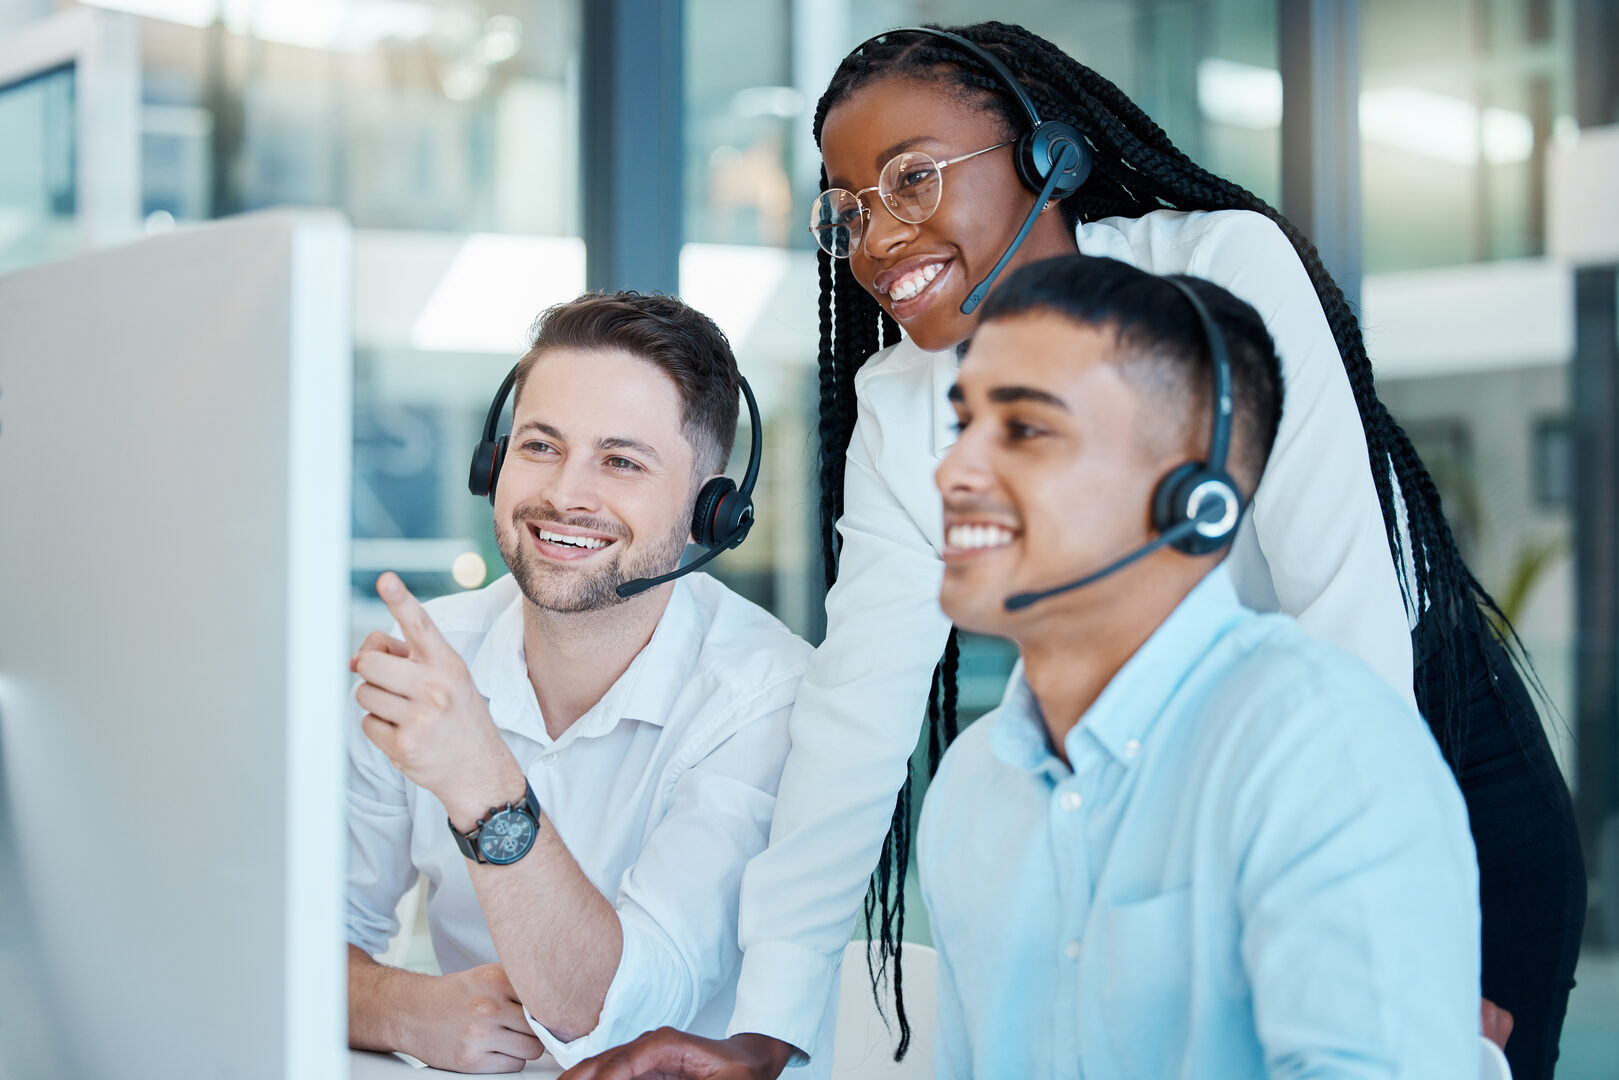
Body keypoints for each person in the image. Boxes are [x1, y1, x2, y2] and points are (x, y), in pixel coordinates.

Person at [562, 21, 1578, 1080]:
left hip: (1411, 747)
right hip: (1133, 783)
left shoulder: (1214, 274)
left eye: (911, 179)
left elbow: (1342, 602)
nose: (874, 241)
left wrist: (1383, 931)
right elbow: (852, 726)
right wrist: (764, 1031)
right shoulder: (905, 404)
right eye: (849, 209)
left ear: (1046, 156)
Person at [921, 253, 1479, 1077]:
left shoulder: (1322, 750)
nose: (953, 471)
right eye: (963, 425)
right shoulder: (970, 787)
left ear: (1194, 500)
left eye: (1026, 429)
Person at [344, 291, 811, 1073]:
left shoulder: (765, 697)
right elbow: (287, 946)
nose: (565, 494)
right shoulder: (430, 655)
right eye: (539, 446)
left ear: (711, 508)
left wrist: (482, 784)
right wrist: (398, 1007)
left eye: (621, 461)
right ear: (492, 463)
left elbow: (620, 1017)